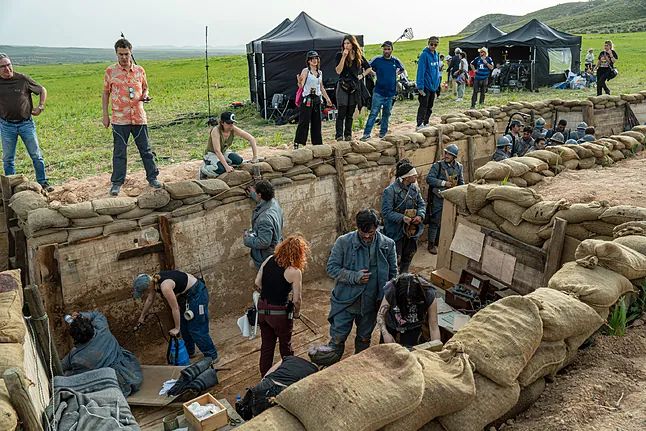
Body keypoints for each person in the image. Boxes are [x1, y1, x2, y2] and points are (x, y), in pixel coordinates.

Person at [323, 209, 398, 364]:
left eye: (370, 232)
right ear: (356, 226)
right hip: (345, 302)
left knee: (364, 340)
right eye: (362, 232)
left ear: (377, 227)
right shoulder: (343, 242)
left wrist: (386, 300)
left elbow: (393, 274)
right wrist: (354, 276)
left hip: (370, 305)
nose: (366, 236)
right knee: (336, 341)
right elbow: (331, 268)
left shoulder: (388, 245)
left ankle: (358, 370)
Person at [103, 38, 161, 196]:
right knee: (119, 151)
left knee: (146, 149)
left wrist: (146, 96)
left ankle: (153, 177)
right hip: (119, 119)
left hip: (139, 117)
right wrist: (105, 115)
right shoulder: (110, 72)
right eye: (120, 54)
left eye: (126, 54)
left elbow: (145, 88)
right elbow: (106, 93)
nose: (123, 57)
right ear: (116, 53)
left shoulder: (140, 70)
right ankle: (117, 182)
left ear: (131, 52)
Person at [254, 235, 310, 376]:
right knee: (285, 346)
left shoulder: (268, 260)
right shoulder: (294, 272)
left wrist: (269, 292)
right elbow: (297, 299)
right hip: (280, 315)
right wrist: (296, 313)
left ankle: (265, 377)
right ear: (299, 254)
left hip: (262, 310)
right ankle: (289, 374)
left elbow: (257, 283)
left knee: (267, 346)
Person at [133, 270, 218, 361]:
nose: (144, 294)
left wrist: (176, 328)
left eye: (144, 292)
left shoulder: (165, 286)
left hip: (197, 293)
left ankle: (212, 355)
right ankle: (190, 352)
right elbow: (150, 300)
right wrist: (142, 316)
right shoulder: (153, 281)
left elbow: (175, 308)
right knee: (184, 327)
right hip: (185, 296)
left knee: (196, 328)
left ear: (148, 287)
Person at [0, 53, 53, 192]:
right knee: (8, 159)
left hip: (26, 123)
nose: (7, 68)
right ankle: (11, 187)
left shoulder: (22, 79)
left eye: (9, 65)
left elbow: (42, 89)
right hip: (6, 125)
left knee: (36, 155)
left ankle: (43, 183)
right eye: (3, 66)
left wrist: (40, 106)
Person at [62, 311, 143, 396]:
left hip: (111, 385)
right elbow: (97, 314)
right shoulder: (102, 328)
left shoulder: (77, 357)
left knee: (69, 375)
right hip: (130, 372)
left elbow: (60, 366)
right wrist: (81, 315)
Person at [235, 356, 318, 420]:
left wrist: (263, 381)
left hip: (264, 385)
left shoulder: (291, 358)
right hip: (278, 393)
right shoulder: (314, 371)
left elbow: (271, 370)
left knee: (249, 411)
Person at [381, 159, 426, 273]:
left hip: (411, 230)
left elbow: (421, 204)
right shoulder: (390, 191)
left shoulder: (414, 188)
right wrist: (403, 218)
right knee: (395, 259)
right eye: (413, 175)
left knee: (409, 255)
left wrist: (420, 215)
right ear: (406, 177)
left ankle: (404, 277)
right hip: (396, 231)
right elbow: (386, 212)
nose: (416, 176)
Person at [375, 273, 440, 347]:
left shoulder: (428, 293)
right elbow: (380, 315)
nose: (409, 303)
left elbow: (433, 326)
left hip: (412, 328)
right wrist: (385, 334)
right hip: (391, 325)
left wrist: (436, 348)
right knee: (386, 353)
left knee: (409, 353)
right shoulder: (392, 289)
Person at [361, 41, 405, 141]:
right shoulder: (377, 60)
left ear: (392, 50)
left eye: (388, 49)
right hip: (378, 92)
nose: (386, 51)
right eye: (385, 49)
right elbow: (367, 66)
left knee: (386, 114)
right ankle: (366, 134)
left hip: (390, 93)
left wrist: (397, 73)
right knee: (373, 113)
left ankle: (383, 133)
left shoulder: (395, 61)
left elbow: (402, 68)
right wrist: (373, 73)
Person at [425, 144, 464, 254]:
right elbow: (429, 179)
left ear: (454, 156)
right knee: (435, 221)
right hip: (438, 197)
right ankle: (431, 244)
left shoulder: (459, 167)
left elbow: (461, 182)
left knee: (446, 221)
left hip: (451, 197)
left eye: (449, 154)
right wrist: (444, 183)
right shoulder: (438, 166)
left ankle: (439, 241)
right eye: (446, 153)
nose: (446, 155)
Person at [335, 35, 372, 141]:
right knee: (342, 110)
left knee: (350, 112)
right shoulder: (339, 55)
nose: (346, 46)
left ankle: (348, 134)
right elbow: (338, 71)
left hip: (354, 86)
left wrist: (362, 75)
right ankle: (338, 135)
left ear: (352, 44)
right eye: (344, 43)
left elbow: (369, 68)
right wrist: (343, 57)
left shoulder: (358, 56)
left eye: (348, 43)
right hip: (343, 85)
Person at [201, 111, 259, 179]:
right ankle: (204, 169)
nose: (231, 125)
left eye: (232, 123)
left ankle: (222, 163)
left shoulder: (233, 129)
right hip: (211, 154)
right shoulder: (216, 131)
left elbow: (251, 138)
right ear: (222, 123)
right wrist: (226, 167)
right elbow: (217, 150)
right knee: (220, 169)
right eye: (228, 123)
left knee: (238, 161)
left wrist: (255, 157)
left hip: (224, 151)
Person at [293, 51, 333, 149]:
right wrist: (299, 81)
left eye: (316, 58)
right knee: (304, 121)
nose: (314, 60)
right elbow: (301, 85)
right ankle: (299, 142)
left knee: (317, 122)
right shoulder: (306, 71)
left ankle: (317, 143)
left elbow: (321, 87)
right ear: (308, 61)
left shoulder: (320, 72)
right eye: (312, 59)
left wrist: (327, 99)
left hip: (317, 98)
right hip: (307, 98)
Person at [244, 180, 284, 269]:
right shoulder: (274, 202)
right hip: (277, 248)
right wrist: (254, 194)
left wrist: (247, 239)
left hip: (267, 256)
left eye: (256, 192)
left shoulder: (264, 219)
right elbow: (263, 201)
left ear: (260, 195)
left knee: (266, 278)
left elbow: (264, 242)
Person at [416, 36, 442, 130]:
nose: (433, 46)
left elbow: (437, 71)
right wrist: (420, 86)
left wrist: (437, 84)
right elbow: (421, 71)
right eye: (432, 44)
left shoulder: (436, 55)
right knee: (423, 105)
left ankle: (426, 121)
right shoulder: (424, 55)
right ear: (428, 43)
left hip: (433, 85)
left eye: (436, 44)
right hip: (425, 85)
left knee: (430, 106)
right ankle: (419, 124)